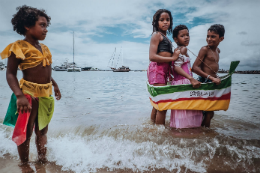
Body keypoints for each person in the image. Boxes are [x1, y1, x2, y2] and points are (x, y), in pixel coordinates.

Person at [0, 5, 61, 165]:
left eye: (46, 26)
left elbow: (45, 71)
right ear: (27, 26)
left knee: (42, 130)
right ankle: (24, 163)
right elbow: (10, 74)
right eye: (42, 25)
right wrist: (19, 96)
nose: (45, 29)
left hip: (45, 94)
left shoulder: (44, 48)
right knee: (26, 131)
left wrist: (54, 85)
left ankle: (42, 160)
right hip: (29, 94)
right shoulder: (18, 47)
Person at [148, 9, 180, 125]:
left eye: (168, 20)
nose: (165, 22)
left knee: (158, 103)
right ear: (156, 23)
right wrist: (172, 58)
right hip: (157, 70)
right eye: (162, 20)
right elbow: (152, 56)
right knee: (163, 104)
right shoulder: (157, 35)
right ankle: (160, 132)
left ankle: (153, 127)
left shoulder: (167, 38)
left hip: (164, 71)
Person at [192, 24, 225, 127]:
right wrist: (210, 77)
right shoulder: (204, 49)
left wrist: (216, 77)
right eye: (208, 36)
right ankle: (203, 133)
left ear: (221, 38)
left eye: (213, 36)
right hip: (204, 82)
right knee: (208, 111)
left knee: (210, 112)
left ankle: (203, 132)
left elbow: (212, 67)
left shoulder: (217, 51)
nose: (209, 39)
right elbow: (195, 67)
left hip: (212, 82)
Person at [170, 25, 203, 128]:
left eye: (187, 35)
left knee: (182, 111)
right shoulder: (182, 49)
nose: (186, 37)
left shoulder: (179, 49)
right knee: (188, 110)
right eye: (182, 36)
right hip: (184, 83)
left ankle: (181, 132)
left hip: (181, 83)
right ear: (176, 39)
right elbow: (176, 67)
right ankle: (190, 132)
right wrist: (191, 78)